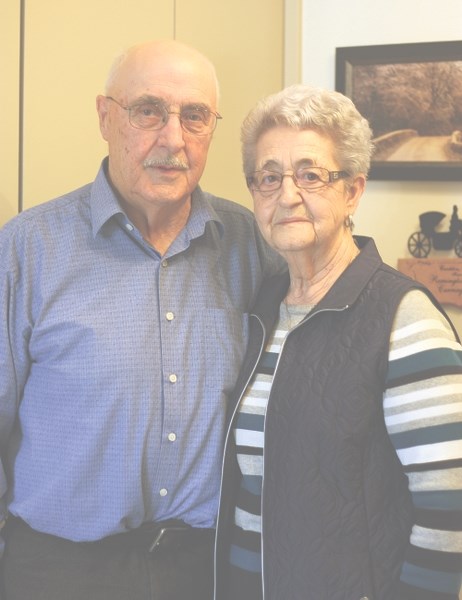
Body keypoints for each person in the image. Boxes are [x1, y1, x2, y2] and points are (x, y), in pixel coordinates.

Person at [0, 40, 284, 600]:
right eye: (148, 110)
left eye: (195, 116)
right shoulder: (27, 248)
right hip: (57, 571)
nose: (173, 139)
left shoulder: (250, 244)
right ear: (105, 116)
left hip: (205, 568)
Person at [214, 84, 462, 600]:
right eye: (269, 177)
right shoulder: (261, 310)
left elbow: (451, 511)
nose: (287, 195)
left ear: (353, 191)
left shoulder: (404, 317)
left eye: (311, 175)